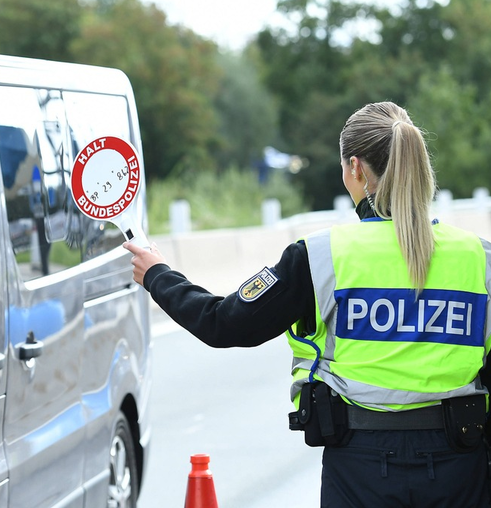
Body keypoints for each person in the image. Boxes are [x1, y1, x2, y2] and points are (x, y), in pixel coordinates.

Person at [125, 101, 491, 507]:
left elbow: (223, 323)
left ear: (355, 168)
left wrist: (158, 274)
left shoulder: (319, 256)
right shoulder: (480, 258)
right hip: (462, 464)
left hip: (360, 470)